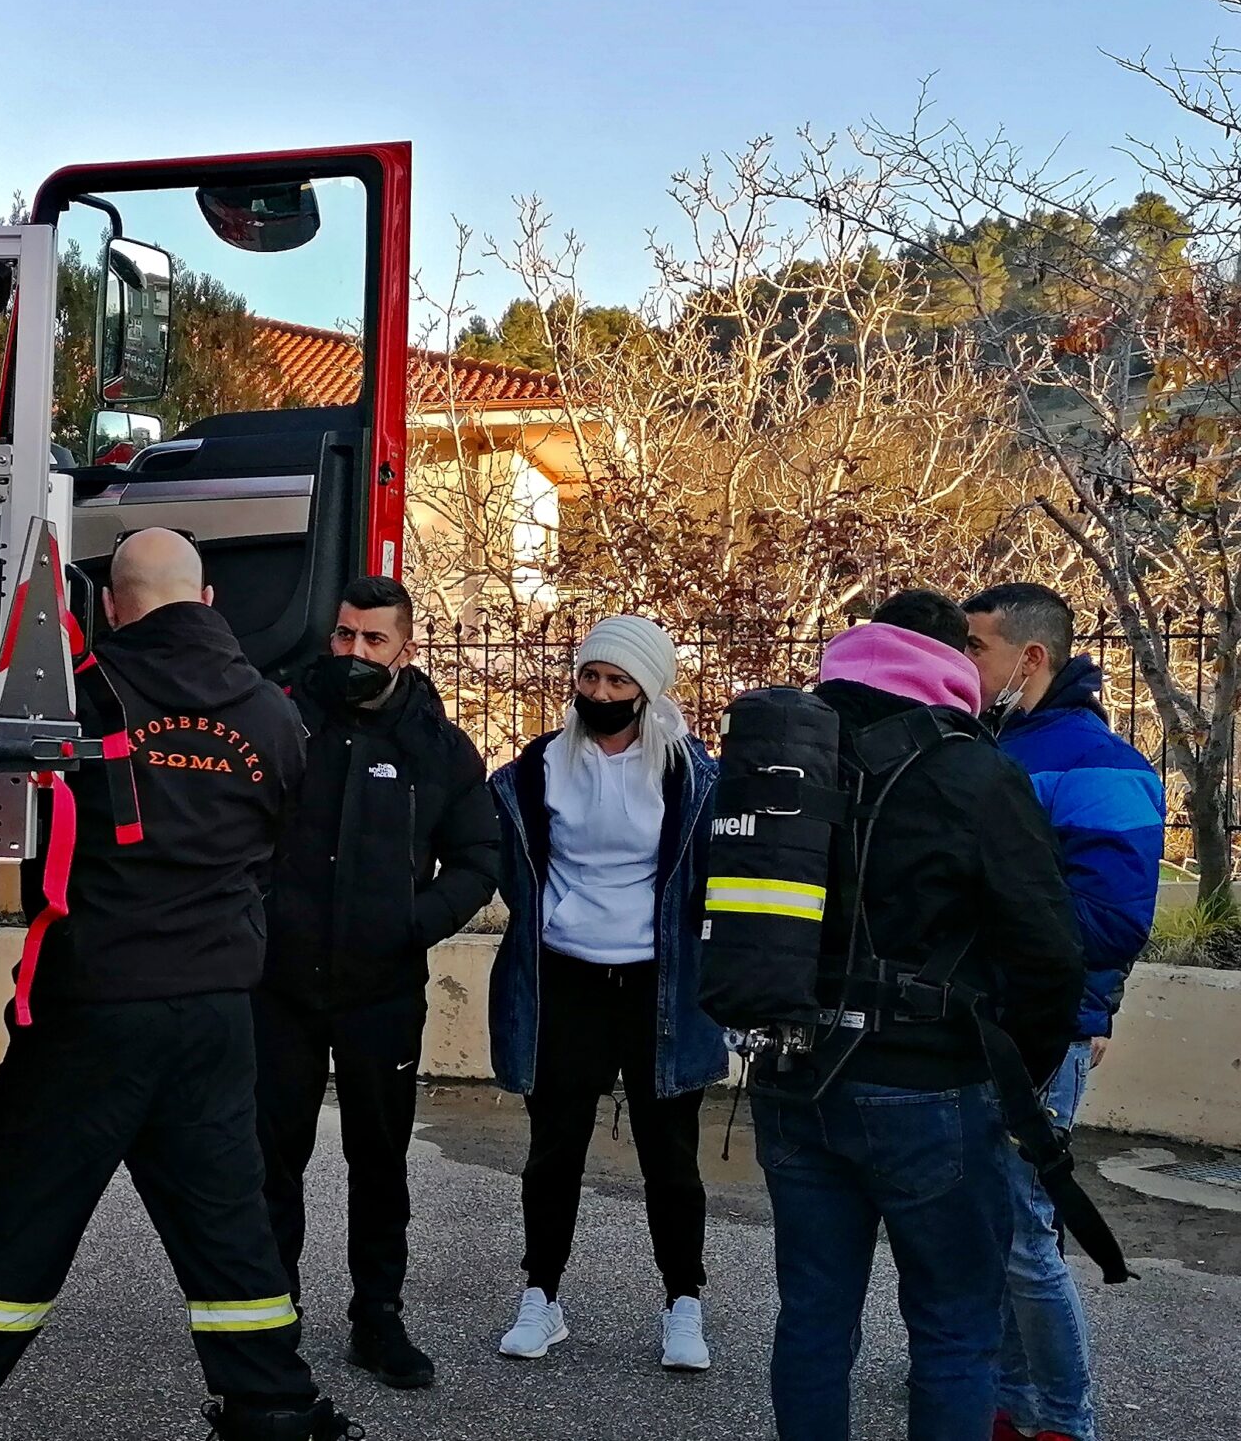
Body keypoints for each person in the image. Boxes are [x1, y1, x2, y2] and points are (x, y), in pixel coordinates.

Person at [0, 530, 360, 1441]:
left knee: (21, 1210)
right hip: (216, 1014)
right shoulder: (275, 716)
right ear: (210, 599)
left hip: (94, 1010)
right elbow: (282, 848)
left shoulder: (71, 693)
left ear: (113, 604)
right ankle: (271, 1406)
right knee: (228, 1217)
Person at [751, 589, 1084, 1441]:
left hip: (792, 1072)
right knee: (953, 1328)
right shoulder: (974, 770)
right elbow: (1049, 951)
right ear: (945, 661)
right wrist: (1025, 1075)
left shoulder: (787, 755)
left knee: (815, 1318)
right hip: (933, 1084)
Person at [255, 574, 502, 1390]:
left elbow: (477, 858)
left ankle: (378, 1318)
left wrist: (414, 919)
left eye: (372, 639)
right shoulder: (286, 717)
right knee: (270, 1155)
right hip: (280, 985)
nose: (354, 652)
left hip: (381, 989)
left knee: (379, 1159)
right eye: (344, 635)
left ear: (405, 647)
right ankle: (268, 1314)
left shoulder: (437, 744)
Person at [485, 615, 725, 1372]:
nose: (600, 691)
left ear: (648, 690)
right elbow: (511, 863)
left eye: (618, 681)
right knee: (552, 1152)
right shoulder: (538, 769)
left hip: (662, 985)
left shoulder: (692, 775)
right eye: (590, 676)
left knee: (671, 1159)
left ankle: (683, 1302)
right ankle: (540, 1295)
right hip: (565, 977)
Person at [963, 583, 1166, 1441]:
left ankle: (1064, 1420)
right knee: (992, 1232)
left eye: (975, 647)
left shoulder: (1102, 763)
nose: (960, 662)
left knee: (1021, 1235)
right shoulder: (985, 745)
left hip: (1038, 1030)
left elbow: (1114, 919)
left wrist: (978, 914)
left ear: (1030, 659)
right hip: (976, 1021)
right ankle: (1010, 1404)